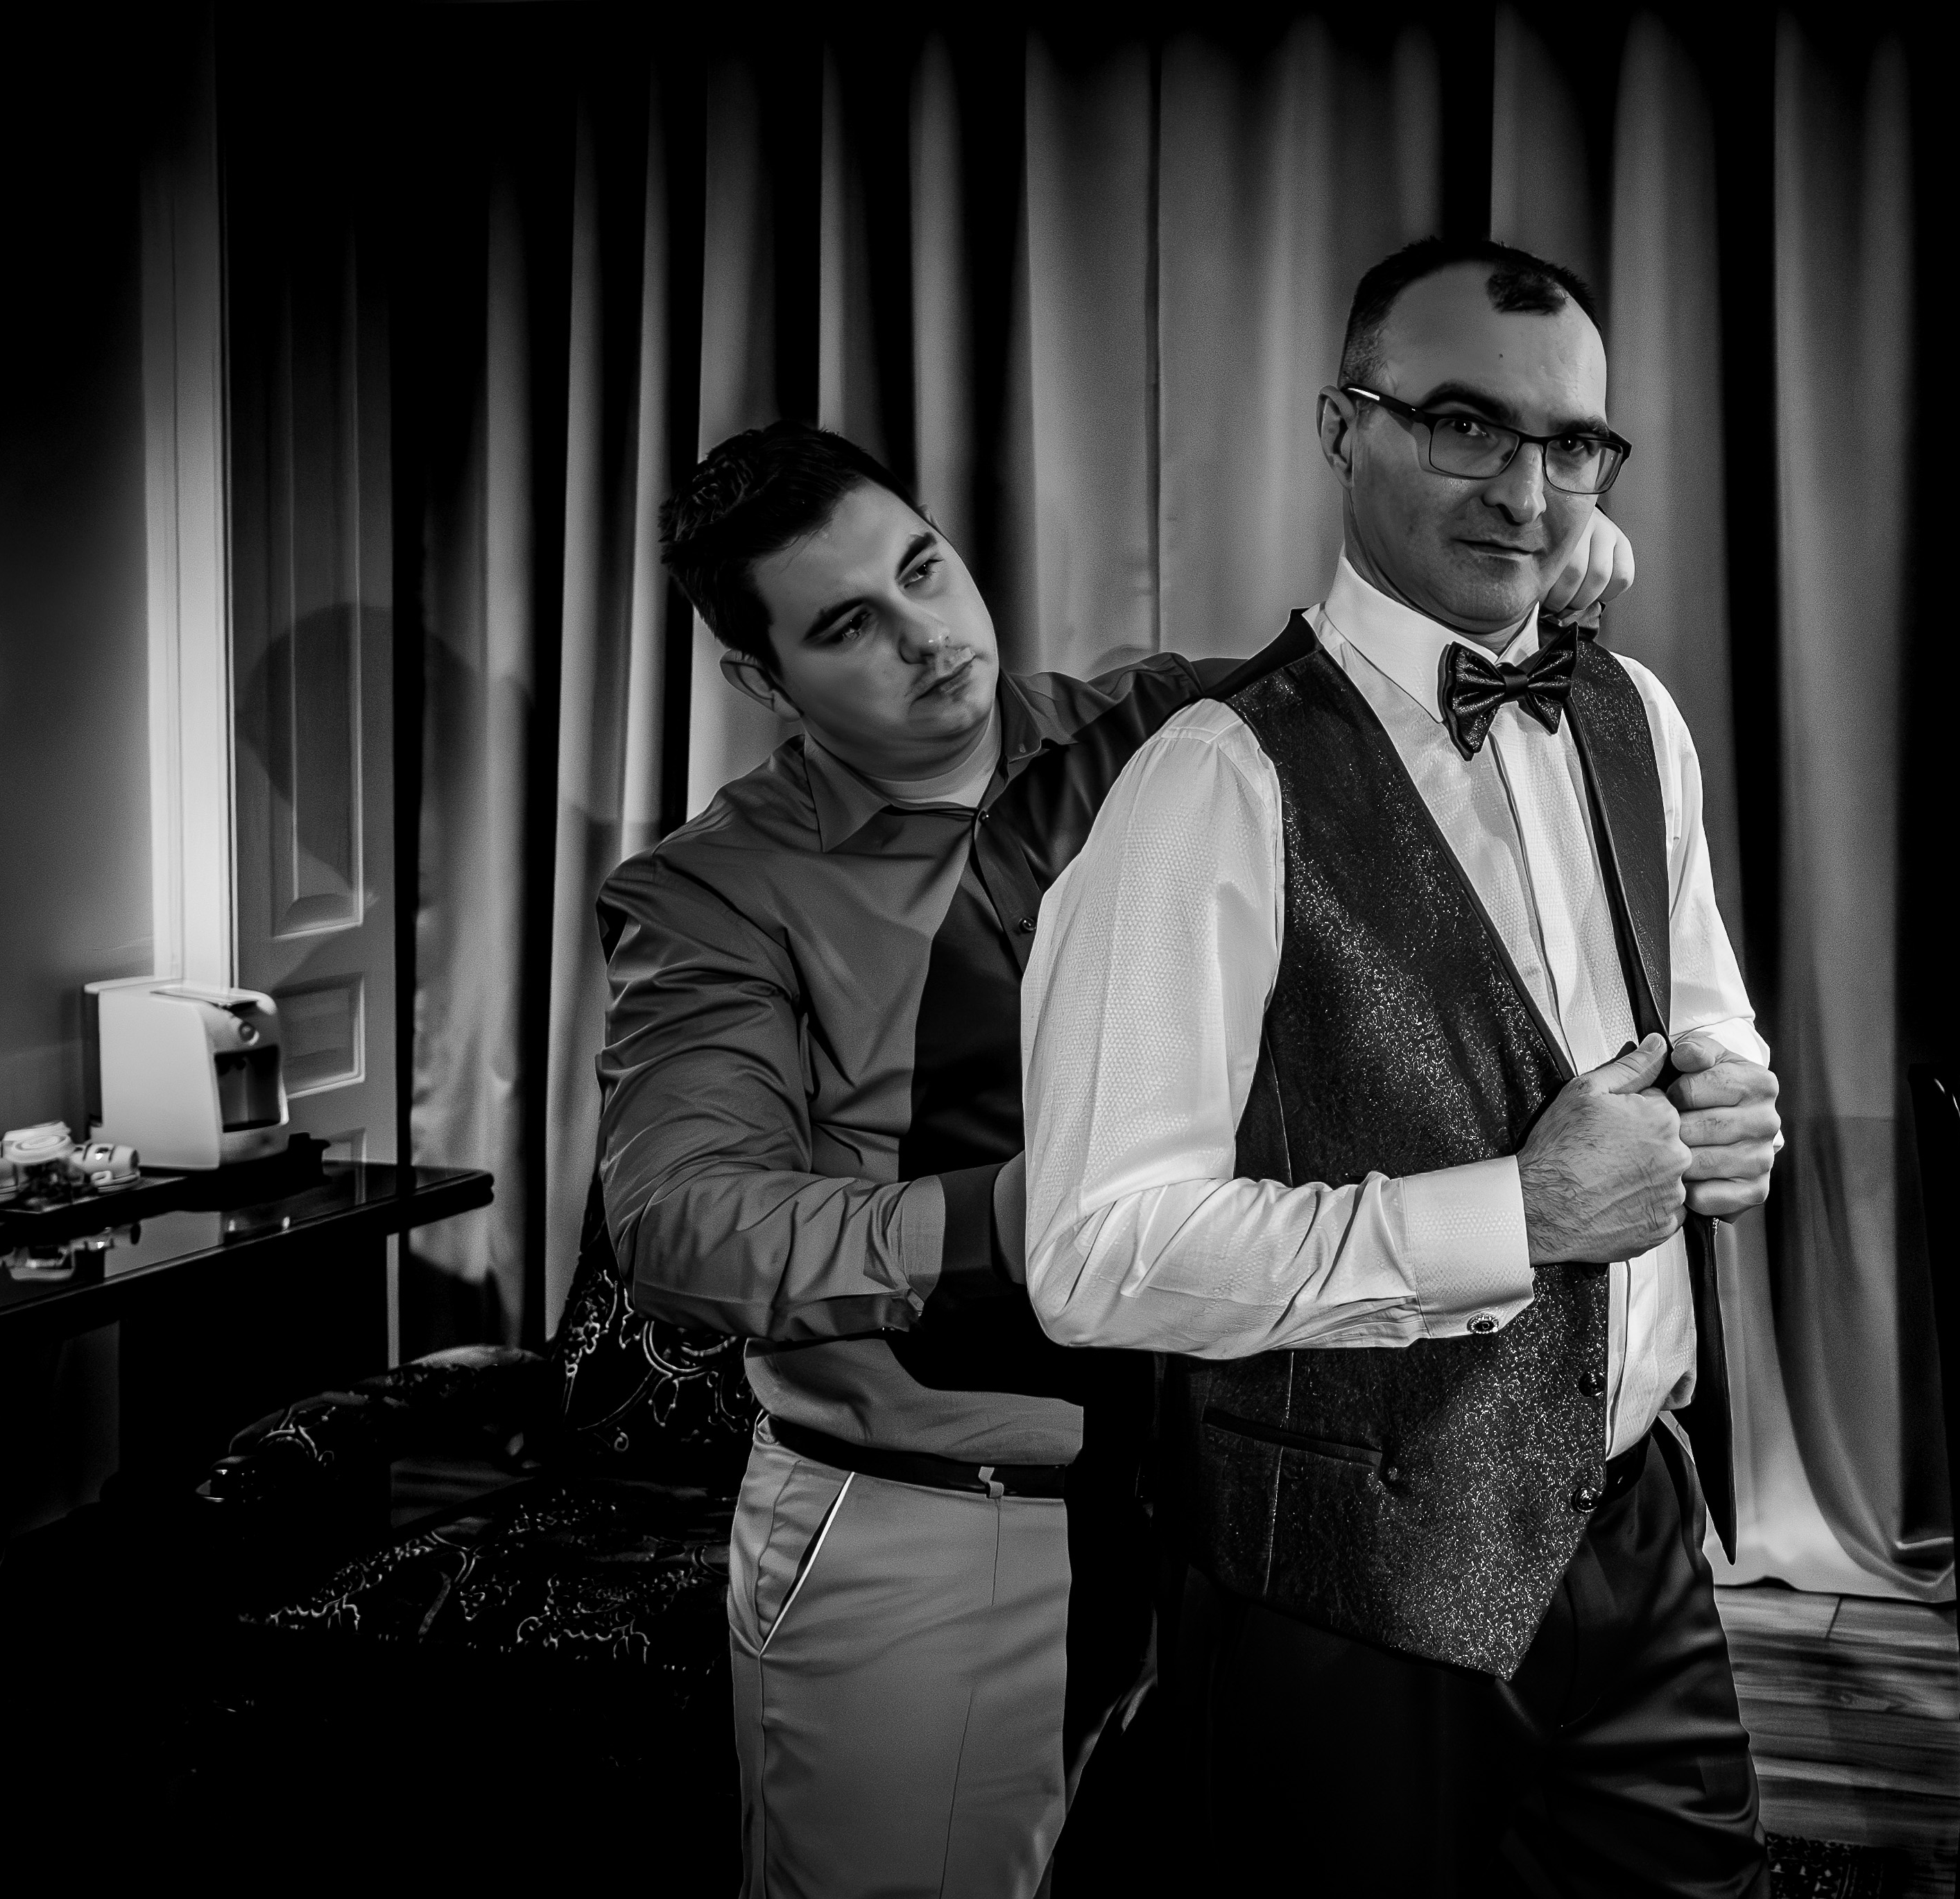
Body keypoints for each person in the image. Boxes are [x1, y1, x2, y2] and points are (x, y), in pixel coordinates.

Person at [601, 420, 1637, 1898]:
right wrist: (1050, 1218)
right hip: (939, 1528)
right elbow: (683, 1225)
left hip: (1225, 1510)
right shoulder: (716, 892)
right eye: (847, 626)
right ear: (759, 681)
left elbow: (1411, 701)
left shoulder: (1166, 727)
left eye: (923, 570)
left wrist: (1520, 581)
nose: (927, 637)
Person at [1018, 236, 1783, 1898]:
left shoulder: (1634, 714)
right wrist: (1518, 1213)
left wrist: (1733, 1106)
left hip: (1638, 1536)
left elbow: (1703, 1009)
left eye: (1569, 444)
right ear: (1339, 426)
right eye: (1462, 424)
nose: (1524, 490)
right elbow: (1090, 1253)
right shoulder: (1210, 783)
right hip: (1347, 1594)